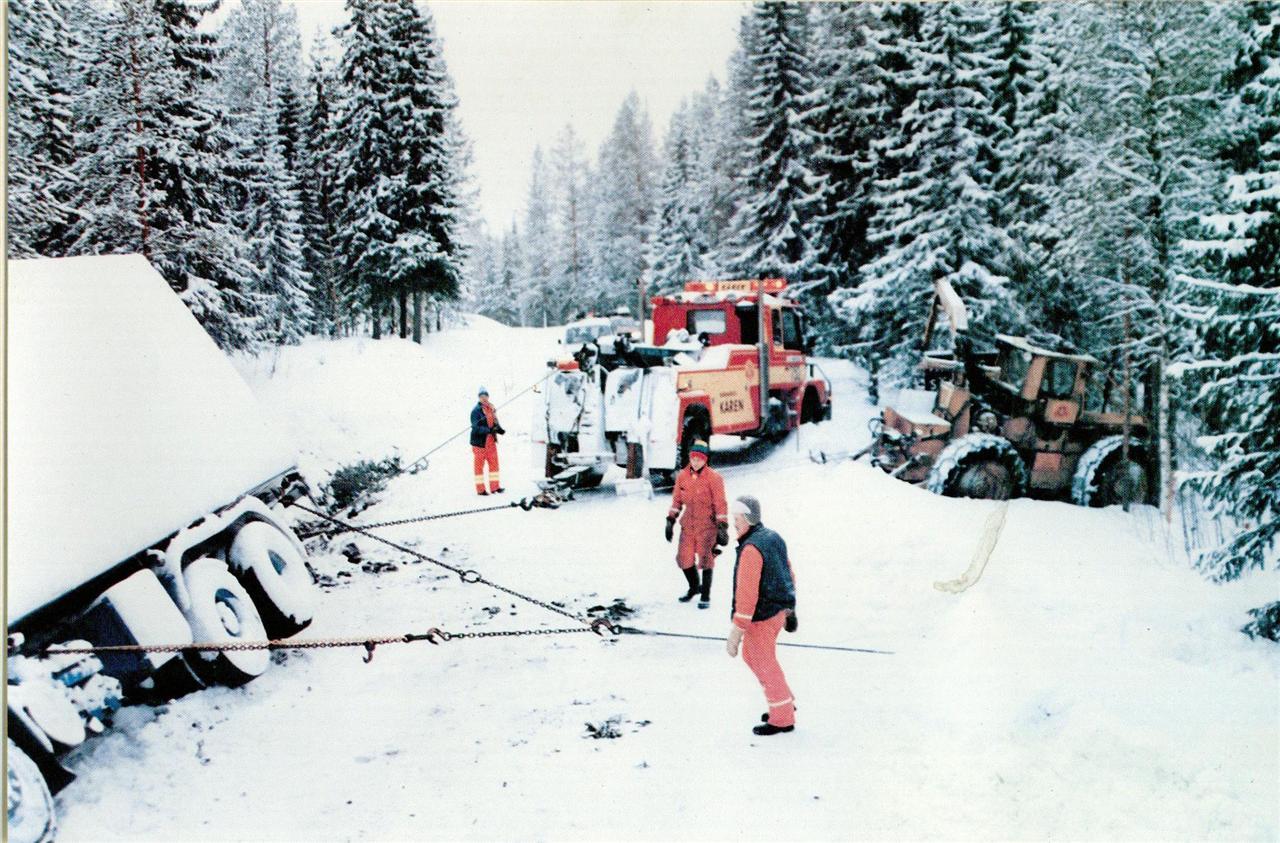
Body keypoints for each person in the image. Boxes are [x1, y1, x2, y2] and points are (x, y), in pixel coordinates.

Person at [725, 495, 798, 736]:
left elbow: (747, 594)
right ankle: (784, 701)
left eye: (736, 518)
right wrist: (790, 609)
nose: (732, 522)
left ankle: (782, 717)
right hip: (776, 611)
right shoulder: (772, 537)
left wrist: (737, 631)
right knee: (757, 657)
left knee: (760, 659)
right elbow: (787, 573)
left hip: (763, 614)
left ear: (746, 518)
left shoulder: (751, 549)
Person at [664, 440, 728, 608]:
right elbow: (677, 500)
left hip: (707, 525)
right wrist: (670, 520)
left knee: (706, 560)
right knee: (684, 559)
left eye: (699, 459)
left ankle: (705, 595)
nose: (695, 462)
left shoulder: (714, 478)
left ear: (705, 460)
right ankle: (694, 587)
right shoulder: (682, 476)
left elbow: (720, 504)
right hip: (688, 525)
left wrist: (722, 526)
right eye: (693, 458)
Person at [470, 386, 505, 495]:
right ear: (479, 398)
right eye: (481, 396)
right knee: (479, 468)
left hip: (491, 442)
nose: (484, 398)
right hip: (479, 444)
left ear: (488, 396)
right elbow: (475, 428)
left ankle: (495, 487)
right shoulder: (476, 411)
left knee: (494, 465)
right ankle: (481, 490)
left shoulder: (491, 408)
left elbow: (494, 422)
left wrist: (499, 429)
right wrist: (489, 430)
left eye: (485, 396)